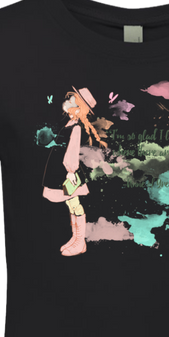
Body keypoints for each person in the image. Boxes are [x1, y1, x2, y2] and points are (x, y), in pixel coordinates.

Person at [42, 87, 107, 256]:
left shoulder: (76, 127)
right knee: (71, 203)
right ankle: (75, 238)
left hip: (67, 171)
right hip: (63, 169)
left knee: (74, 203)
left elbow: (72, 150)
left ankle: (80, 241)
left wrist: (71, 171)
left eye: (72, 100)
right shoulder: (70, 123)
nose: (68, 101)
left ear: (79, 108)